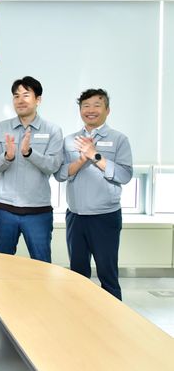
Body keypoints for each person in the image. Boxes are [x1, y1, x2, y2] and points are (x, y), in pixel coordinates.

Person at [55, 89, 132, 300]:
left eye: (97, 105)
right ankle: (80, 315)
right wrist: (81, 160)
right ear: (80, 110)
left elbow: (125, 175)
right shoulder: (69, 140)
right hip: (76, 217)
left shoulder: (119, 139)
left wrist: (94, 155)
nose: (91, 110)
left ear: (107, 110)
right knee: (77, 274)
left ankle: (112, 316)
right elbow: (60, 174)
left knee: (108, 273)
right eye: (86, 106)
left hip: (105, 217)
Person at [0, 76, 63, 263]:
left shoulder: (52, 130)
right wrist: (7, 157)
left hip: (38, 211)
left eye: (26, 95)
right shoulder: (1, 128)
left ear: (38, 99)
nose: (20, 100)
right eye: (16, 96)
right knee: (2, 264)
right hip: (5, 209)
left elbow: (53, 166)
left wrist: (29, 153)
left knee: (41, 264)